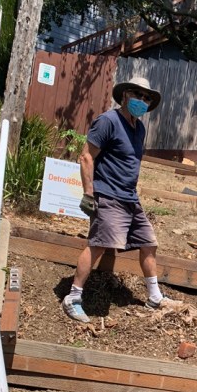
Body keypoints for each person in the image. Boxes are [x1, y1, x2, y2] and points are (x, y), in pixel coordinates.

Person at [62, 76, 182, 324]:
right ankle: (73, 297)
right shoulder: (108, 121)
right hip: (108, 196)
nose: (142, 100)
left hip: (130, 199)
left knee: (149, 243)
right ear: (125, 95)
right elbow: (86, 157)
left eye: (146, 98)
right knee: (98, 244)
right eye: (138, 95)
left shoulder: (139, 129)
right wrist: (88, 193)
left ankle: (154, 297)